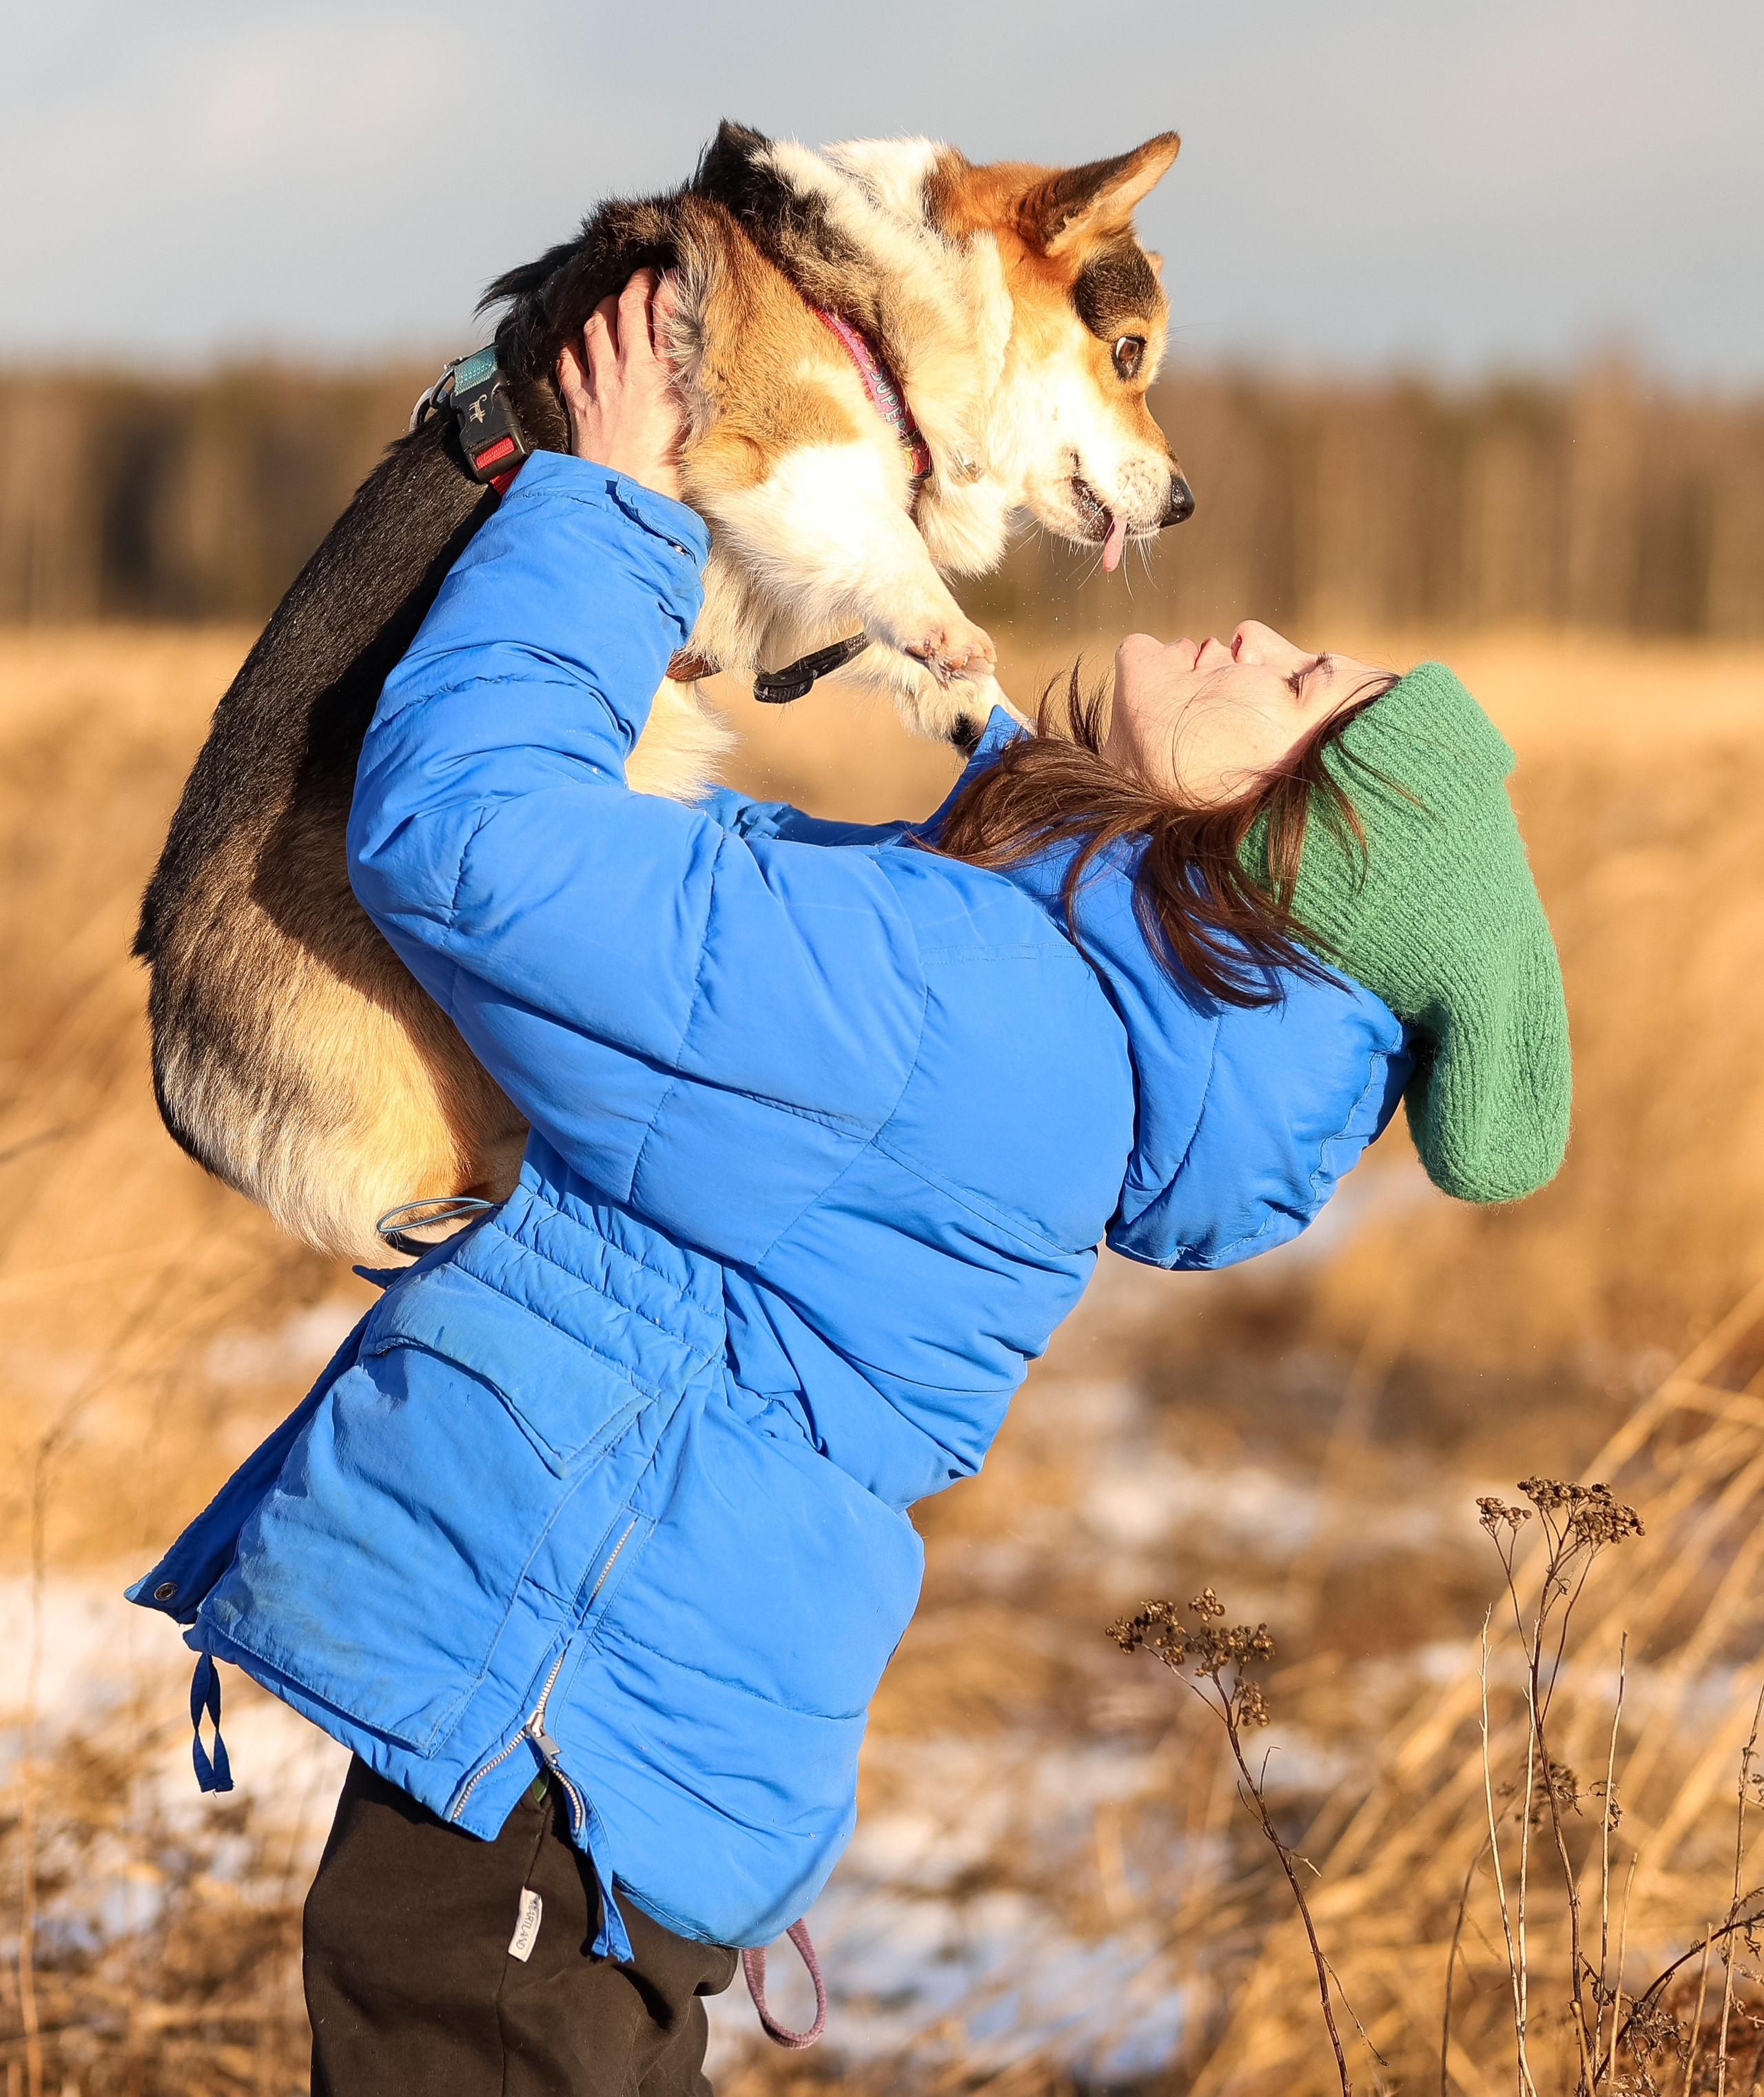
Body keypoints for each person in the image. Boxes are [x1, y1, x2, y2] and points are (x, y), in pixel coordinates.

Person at [128, 274, 1570, 2097]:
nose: (1263, 629)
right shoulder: (1027, 1004)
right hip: (596, 1752)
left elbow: (470, 848)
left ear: (1271, 850)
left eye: (1298, 689)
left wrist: (608, 514)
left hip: (554, 1742)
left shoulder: (975, 1013)